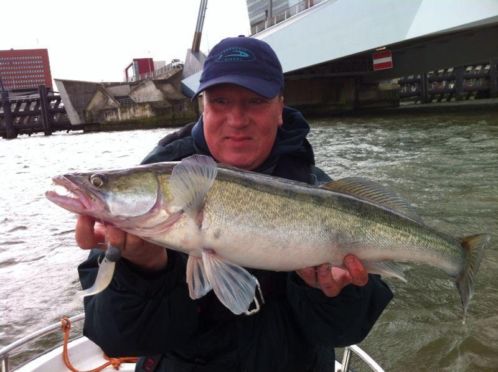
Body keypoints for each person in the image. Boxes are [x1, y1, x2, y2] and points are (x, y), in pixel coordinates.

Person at [76, 36, 393, 372]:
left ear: (280, 108)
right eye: (220, 101)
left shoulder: (321, 192)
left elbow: (346, 331)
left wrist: (330, 292)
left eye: (255, 101)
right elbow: (117, 338)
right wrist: (141, 270)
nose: (237, 119)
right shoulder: (158, 183)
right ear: (203, 107)